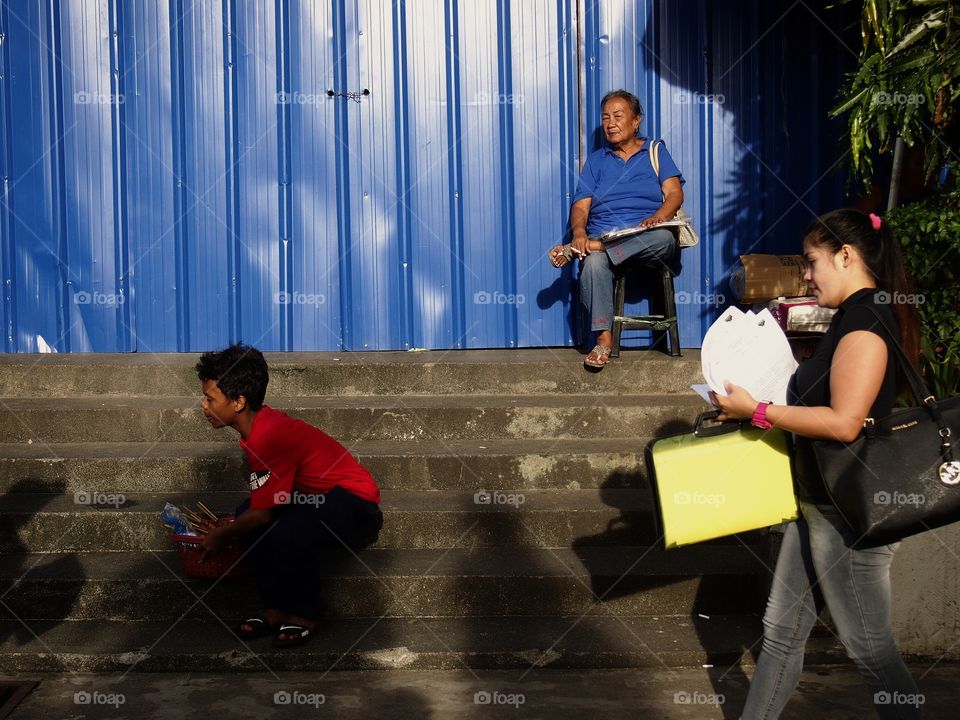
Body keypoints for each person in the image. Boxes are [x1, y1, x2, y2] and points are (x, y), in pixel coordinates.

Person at [712, 209, 923, 719]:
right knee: (781, 634)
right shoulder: (850, 317)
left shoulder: (867, 322)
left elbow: (845, 422)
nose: (806, 275)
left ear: (845, 256)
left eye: (811, 262)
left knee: (869, 649)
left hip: (847, 515)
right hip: (818, 504)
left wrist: (758, 410)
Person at [196, 343, 382, 647]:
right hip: (315, 498)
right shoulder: (258, 429)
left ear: (239, 402)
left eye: (209, 398)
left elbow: (263, 514)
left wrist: (223, 534)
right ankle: (275, 609)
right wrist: (235, 524)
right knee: (245, 516)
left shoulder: (269, 437)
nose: (203, 405)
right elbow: (262, 505)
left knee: (286, 529)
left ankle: (306, 613)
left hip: (355, 505)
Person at [548, 89, 685, 370]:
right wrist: (579, 234)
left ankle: (591, 248)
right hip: (604, 234)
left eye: (618, 116)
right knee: (593, 263)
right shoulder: (597, 160)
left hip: (647, 235)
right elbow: (581, 207)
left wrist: (659, 216)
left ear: (636, 121)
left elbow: (674, 194)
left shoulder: (655, 150)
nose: (610, 123)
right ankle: (604, 339)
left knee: (664, 238)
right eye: (605, 117)